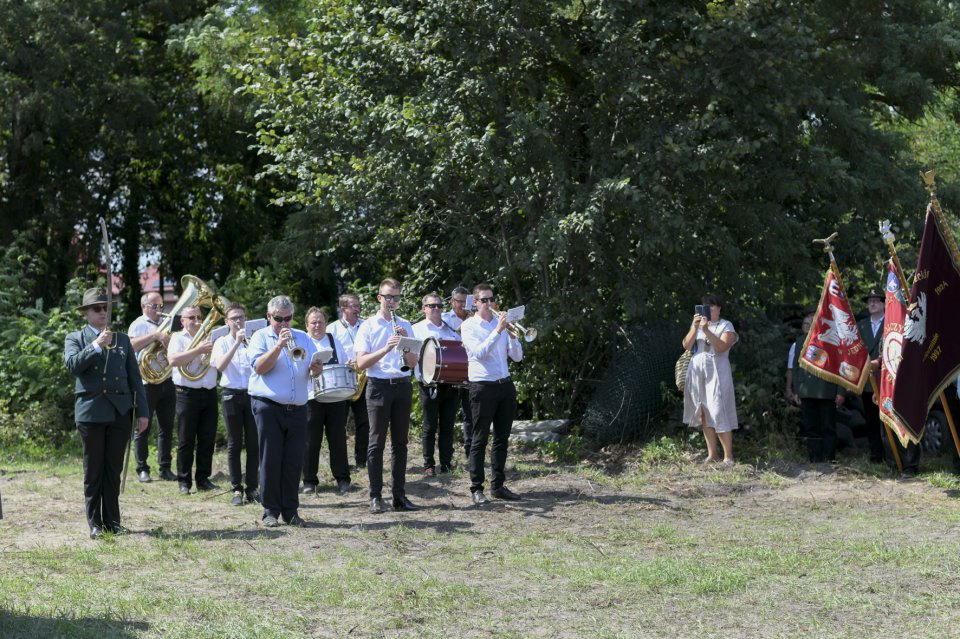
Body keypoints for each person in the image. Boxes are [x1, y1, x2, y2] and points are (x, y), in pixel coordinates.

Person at [64, 288, 149, 539]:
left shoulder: (122, 340)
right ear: (86, 313)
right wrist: (96, 346)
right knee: (94, 470)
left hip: (120, 410)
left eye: (105, 308)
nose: (102, 312)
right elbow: (72, 366)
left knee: (113, 469)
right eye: (97, 309)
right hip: (91, 412)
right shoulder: (75, 338)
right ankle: (94, 523)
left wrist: (142, 411)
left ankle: (112, 521)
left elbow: (135, 377)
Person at [248, 295, 322, 527]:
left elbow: (312, 371)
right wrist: (279, 345)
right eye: (278, 319)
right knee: (271, 459)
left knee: (293, 460)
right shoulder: (260, 336)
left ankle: (291, 510)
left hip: (298, 407)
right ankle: (270, 511)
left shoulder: (303, 337)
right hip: (268, 406)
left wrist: (316, 369)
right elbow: (260, 368)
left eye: (287, 318)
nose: (283, 323)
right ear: (269, 317)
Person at [355, 278, 420, 514]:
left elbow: (413, 363)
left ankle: (399, 496)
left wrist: (405, 343)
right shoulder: (368, 326)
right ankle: (375, 496)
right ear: (379, 298)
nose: (392, 301)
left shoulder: (406, 324)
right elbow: (361, 363)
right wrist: (386, 348)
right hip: (378, 386)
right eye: (388, 297)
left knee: (400, 443)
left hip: (402, 385)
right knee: (376, 443)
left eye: (396, 297)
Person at [460, 283, 523, 505]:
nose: (489, 304)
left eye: (491, 299)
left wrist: (513, 335)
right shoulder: (468, 326)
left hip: (504, 385)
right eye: (484, 300)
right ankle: (476, 488)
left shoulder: (502, 327)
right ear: (475, 303)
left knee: (502, 439)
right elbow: (478, 353)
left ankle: (498, 486)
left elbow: (516, 358)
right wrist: (498, 330)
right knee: (479, 439)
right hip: (482, 387)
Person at [167, 305, 219, 495]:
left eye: (199, 317)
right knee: (186, 439)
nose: (197, 321)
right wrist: (198, 350)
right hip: (186, 393)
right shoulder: (177, 338)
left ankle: (203, 479)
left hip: (209, 392)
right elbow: (173, 360)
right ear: (182, 321)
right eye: (191, 317)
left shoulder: (211, 336)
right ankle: (184, 481)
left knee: (207, 439)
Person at [212, 302, 259, 507]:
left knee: (253, 444)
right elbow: (220, 366)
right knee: (234, 444)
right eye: (234, 318)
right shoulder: (221, 342)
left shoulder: (254, 340)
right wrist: (236, 344)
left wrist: (246, 343)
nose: (238, 321)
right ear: (227, 322)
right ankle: (236, 488)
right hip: (231, 394)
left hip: (252, 394)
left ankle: (252, 488)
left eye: (241, 317)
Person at [682, 294, 738, 464]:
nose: (708, 308)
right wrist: (695, 327)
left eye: (712, 305)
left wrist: (706, 330)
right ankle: (712, 454)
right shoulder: (698, 326)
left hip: (717, 370)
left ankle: (728, 457)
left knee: (718, 410)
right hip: (697, 369)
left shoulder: (726, 325)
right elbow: (686, 345)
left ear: (719, 308)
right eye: (705, 305)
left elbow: (721, 347)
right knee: (704, 411)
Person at [301, 307, 352, 496]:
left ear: (326, 323)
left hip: (335, 396)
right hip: (311, 397)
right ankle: (309, 481)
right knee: (310, 440)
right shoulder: (302, 341)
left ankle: (343, 479)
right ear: (307, 325)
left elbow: (344, 362)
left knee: (337, 438)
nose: (317, 325)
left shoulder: (334, 340)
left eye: (320, 321)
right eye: (313, 322)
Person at [128, 292, 176, 482]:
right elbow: (131, 346)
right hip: (146, 383)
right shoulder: (138, 324)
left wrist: (169, 340)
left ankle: (165, 468)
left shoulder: (169, 323)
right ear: (144, 307)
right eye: (155, 306)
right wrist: (155, 336)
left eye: (161, 306)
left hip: (167, 380)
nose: (159, 310)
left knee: (167, 427)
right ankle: (142, 468)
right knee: (142, 427)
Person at [413, 292, 462, 476]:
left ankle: (446, 464)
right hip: (428, 384)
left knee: (448, 426)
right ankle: (428, 464)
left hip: (450, 384)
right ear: (424, 308)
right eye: (432, 305)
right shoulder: (415, 329)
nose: (436, 309)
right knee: (429, 426)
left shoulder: (451, 330)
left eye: (439, 306)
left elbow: (460, 354)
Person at [785, 312, 842, 462]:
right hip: (806, 392)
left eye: (811, 324)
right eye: (805, 324)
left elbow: (840, 368)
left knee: (828, 427)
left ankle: (829, 458)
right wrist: (797, 391)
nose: (807, 327)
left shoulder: (831, 341)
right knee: (811, 427)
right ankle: (815, 459)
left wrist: (841, 392)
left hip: (827, 391)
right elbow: (796, 369)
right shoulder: (799, 341)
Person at [328, 292, 369, 469]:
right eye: (353, 306)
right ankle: (342, 462)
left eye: (358, 305)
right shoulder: (332, 329)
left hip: (364, 377)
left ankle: (362, 460)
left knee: (365, 421)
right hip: (342, 378)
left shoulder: (366, 325)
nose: (357, 309)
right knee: (339, 424)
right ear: (343, 309)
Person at [442, 286, 474, 458]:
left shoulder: (476, 318)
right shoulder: (444, 319)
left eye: (465, 302)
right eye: (459, 301)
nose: (462, 305)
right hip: (452, 371)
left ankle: (471, 453)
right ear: (452, 301)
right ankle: (447, 457)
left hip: (472, 371)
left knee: (472, 415)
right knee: (449, 417)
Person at [855, 291, 886, 463]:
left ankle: (892, 454)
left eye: (876, 301)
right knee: (872, 420)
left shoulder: (891, 322)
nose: (872, 304)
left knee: (888, 419)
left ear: (884, 304)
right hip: (868, 379)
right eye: (870, 301)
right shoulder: (861, 325)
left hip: (886, 377)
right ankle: (876, 455)